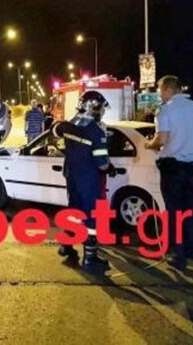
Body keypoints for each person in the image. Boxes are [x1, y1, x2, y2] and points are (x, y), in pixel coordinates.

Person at [145, 75, 193, 271]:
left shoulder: (165, 110)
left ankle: (178, 254)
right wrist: (191, 142)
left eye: (160, 90)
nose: (159, 94)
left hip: (173, 168)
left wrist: (149, 144)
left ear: (168, 89)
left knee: (173, 211)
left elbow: (162, 139)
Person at [52, 90, 115, 274]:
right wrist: (109, 168)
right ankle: (90, 259)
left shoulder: (69, 125)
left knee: (73, 211)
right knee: (91, 216)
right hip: (88, 179)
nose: (102, 111)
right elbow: (102, 163)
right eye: (101, 108)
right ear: (93, 108)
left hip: (72, 176)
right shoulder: (96, 131)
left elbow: (55, 131)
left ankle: (66, 245)